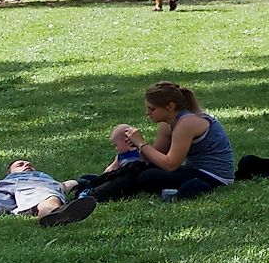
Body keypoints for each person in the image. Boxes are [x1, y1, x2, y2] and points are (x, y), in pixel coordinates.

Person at [99, 81, 237, 202]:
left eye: (152, 109)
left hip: (214, 176)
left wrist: (142, 144)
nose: (148, 113)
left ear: (170, 106)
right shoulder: (169, 123)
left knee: (148, 177)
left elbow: (170, 164)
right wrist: (136, 147)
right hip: (194, 171)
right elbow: (154, 159)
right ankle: (98, 186)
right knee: (140, 170)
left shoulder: (187, 122)